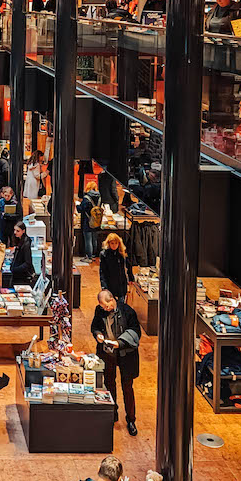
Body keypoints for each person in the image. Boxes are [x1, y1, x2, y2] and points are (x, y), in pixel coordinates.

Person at [91, 289, 141, 436]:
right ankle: (113, 412)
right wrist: (98, 335)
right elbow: (95, 326)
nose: (105, 309)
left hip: (126, 355)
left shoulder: (128, 311)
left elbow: (135, 331)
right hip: (108, 353)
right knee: (109, 382)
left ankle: (131, 419)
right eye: (102, 307)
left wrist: (120, 342)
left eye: (106, 306)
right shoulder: (99, 310)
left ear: (112, 300)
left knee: (127, 386)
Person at [98, 233, 133, 302]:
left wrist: (131, 278)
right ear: (108, 243)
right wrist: (103, 286)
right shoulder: (104, 254)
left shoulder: (122, 253)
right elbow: (102, 271)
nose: (114, 245)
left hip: (121, 283)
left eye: (116, 243)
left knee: (121, 304)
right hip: (110, 283)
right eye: (112, 243)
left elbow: (128, 266)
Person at [78, 182, 102, 260]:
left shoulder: (86, 198)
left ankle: (89, 256)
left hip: (87, 221)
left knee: (88, 239)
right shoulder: (99, 197)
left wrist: (77, 205)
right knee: (94, 238)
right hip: (96, 221)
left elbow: (81, 209)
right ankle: (94, 254)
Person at [10, 221, 36, 285]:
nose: (15, 232)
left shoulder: (26, 244)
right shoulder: (19, 240)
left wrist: (15, 269)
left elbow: (28, 263)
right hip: (18, 273)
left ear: (23, 231)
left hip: (23, 276)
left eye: (17, 231)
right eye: (14, 230)